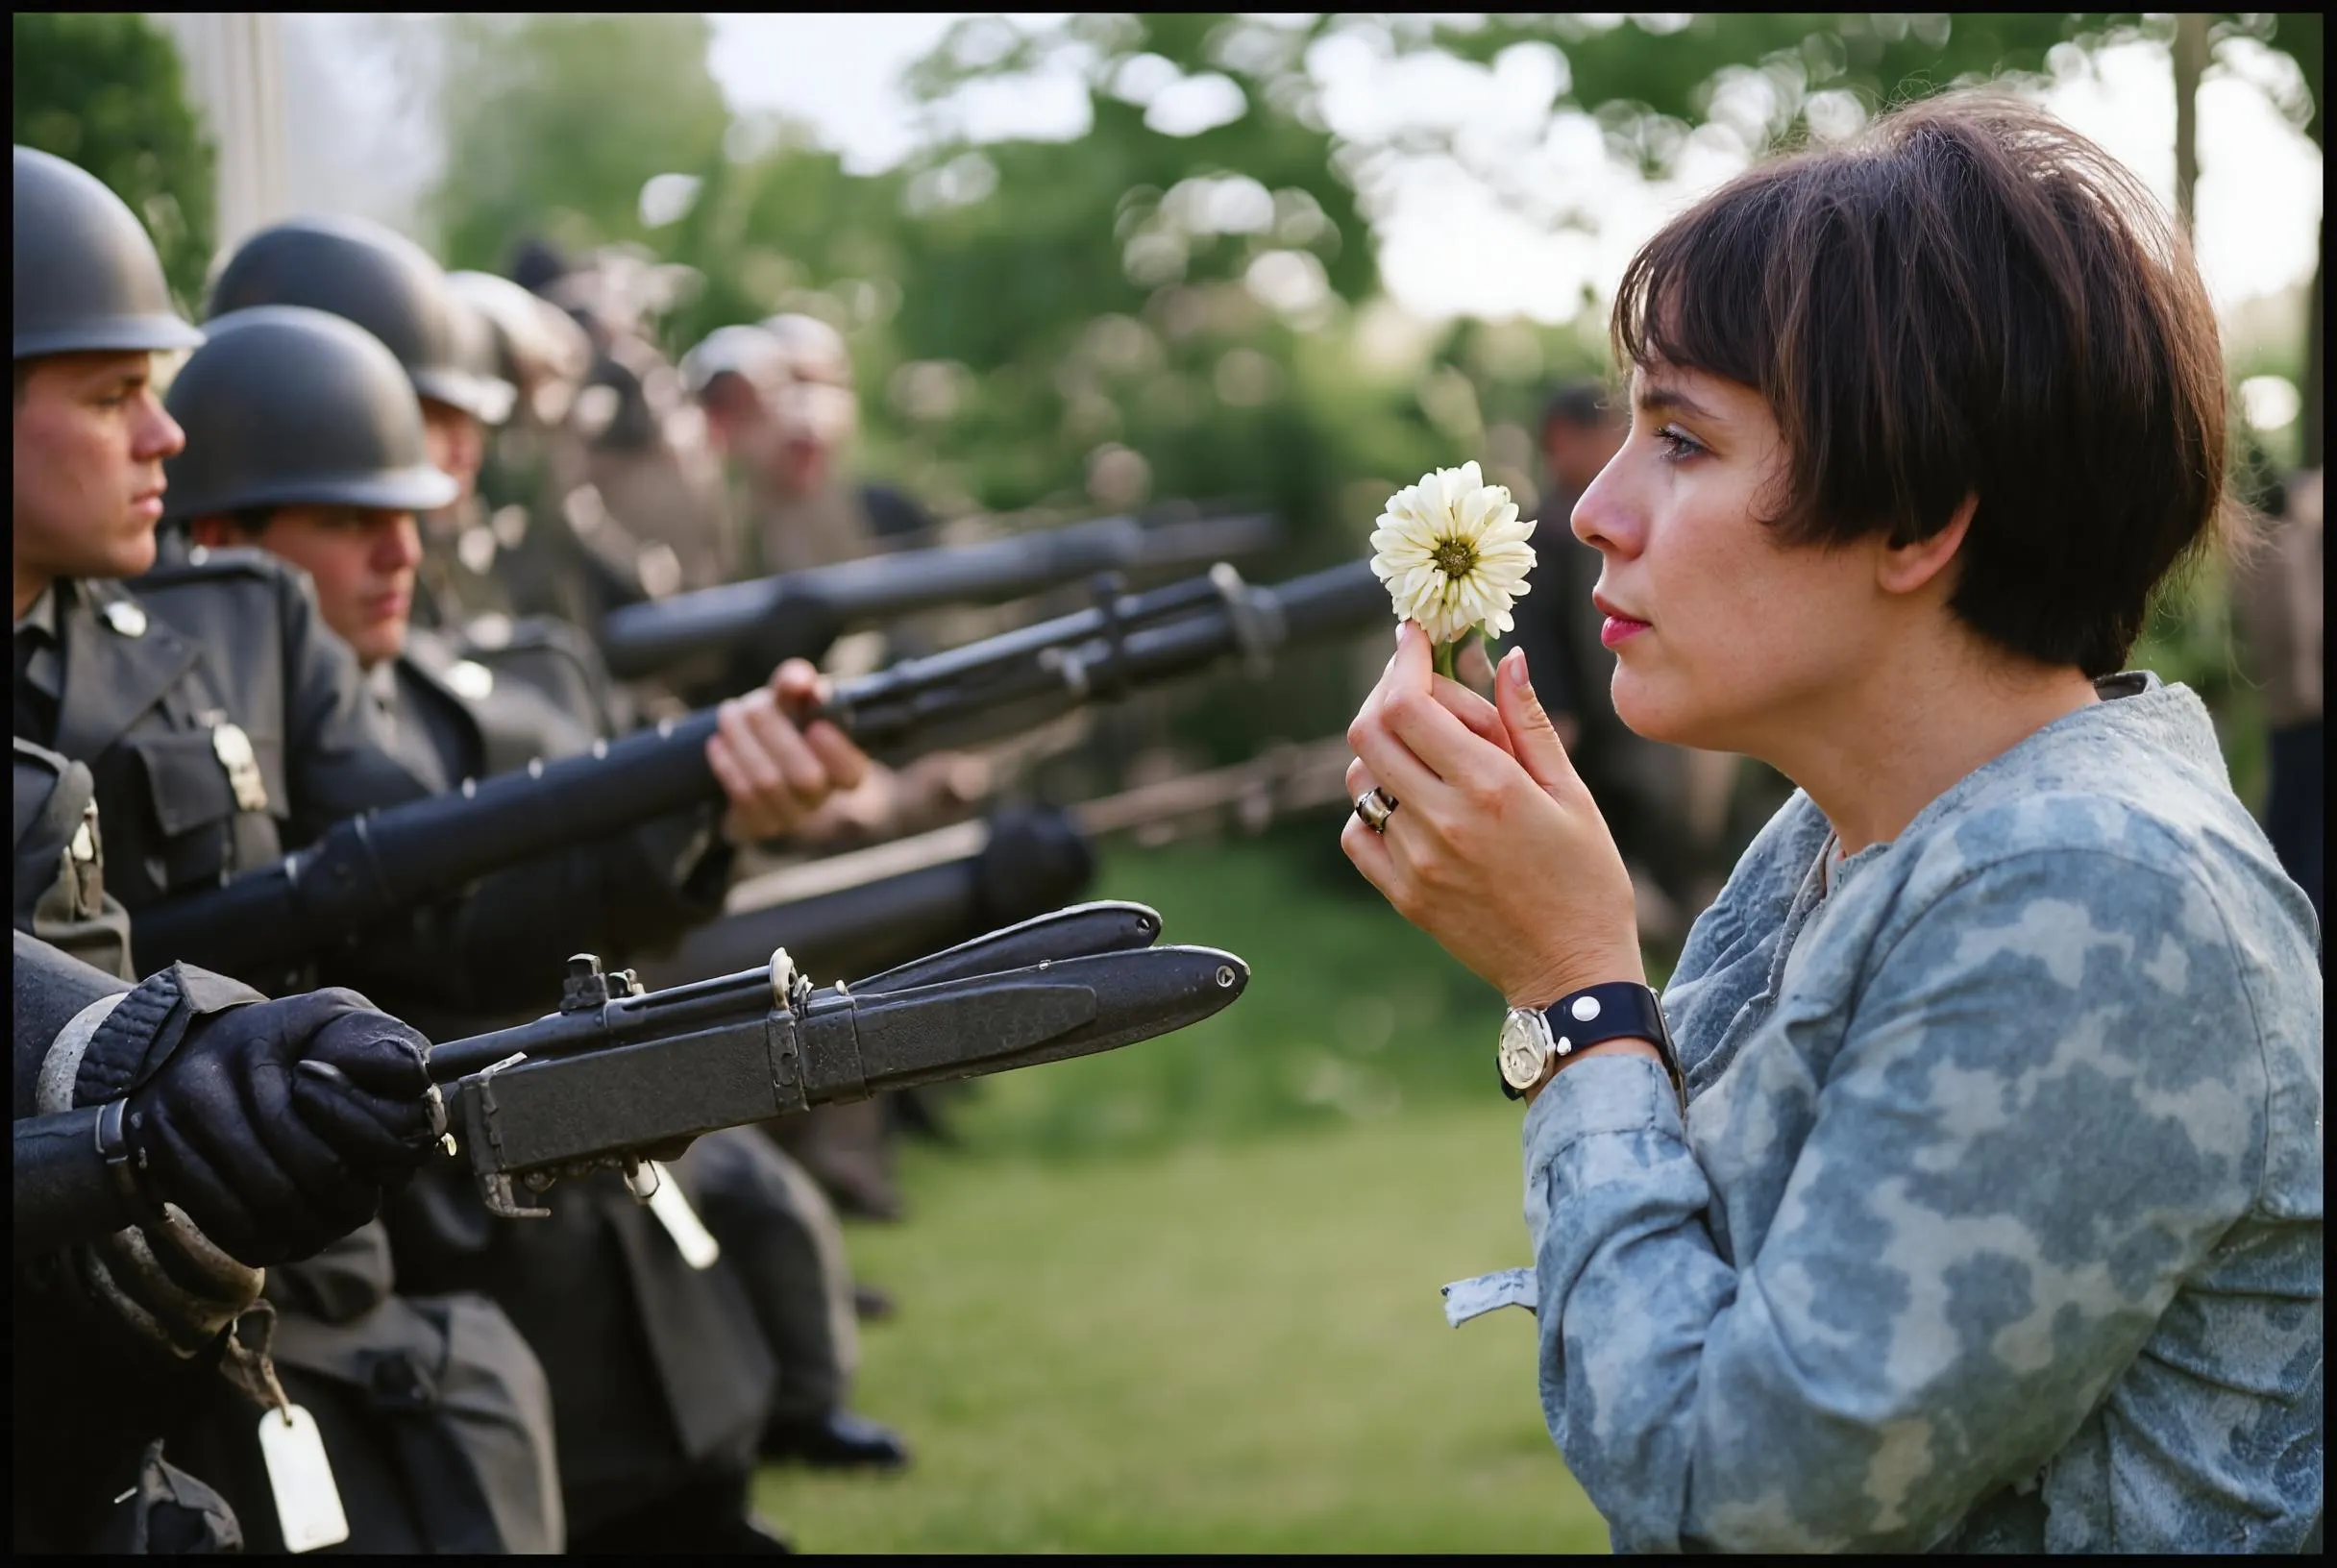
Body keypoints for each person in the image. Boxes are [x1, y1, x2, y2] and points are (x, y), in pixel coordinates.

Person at [1341, 94, 2320, 1553]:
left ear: (1920, 516)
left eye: (1681, 437)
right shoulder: (1844, 830)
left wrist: (1571, 991)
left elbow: (1740, 1505)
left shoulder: (2095, 898)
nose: (1598, 507)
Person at [166, 302, 909, 1538]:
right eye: (352, 514)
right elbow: (432, 925)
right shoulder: (251, 702)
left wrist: (705, 812)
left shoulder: (453, 656)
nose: (410, 533)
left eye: (428, 469)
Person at [1513, 382, 1750, 938]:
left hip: (1634, 728)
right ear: (1560, 439)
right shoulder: (1544, 531)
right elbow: (1536, 638)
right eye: (1608, 432)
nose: (1615, 452)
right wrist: (1552, 722)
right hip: (1590, 733)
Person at [2230, 467, 2323, 926]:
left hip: (2285, 719)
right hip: (2306, 719)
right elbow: (2301, 634)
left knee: (2289, 839)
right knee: (2302, 849)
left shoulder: (2262, 556)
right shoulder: (2291, 555)